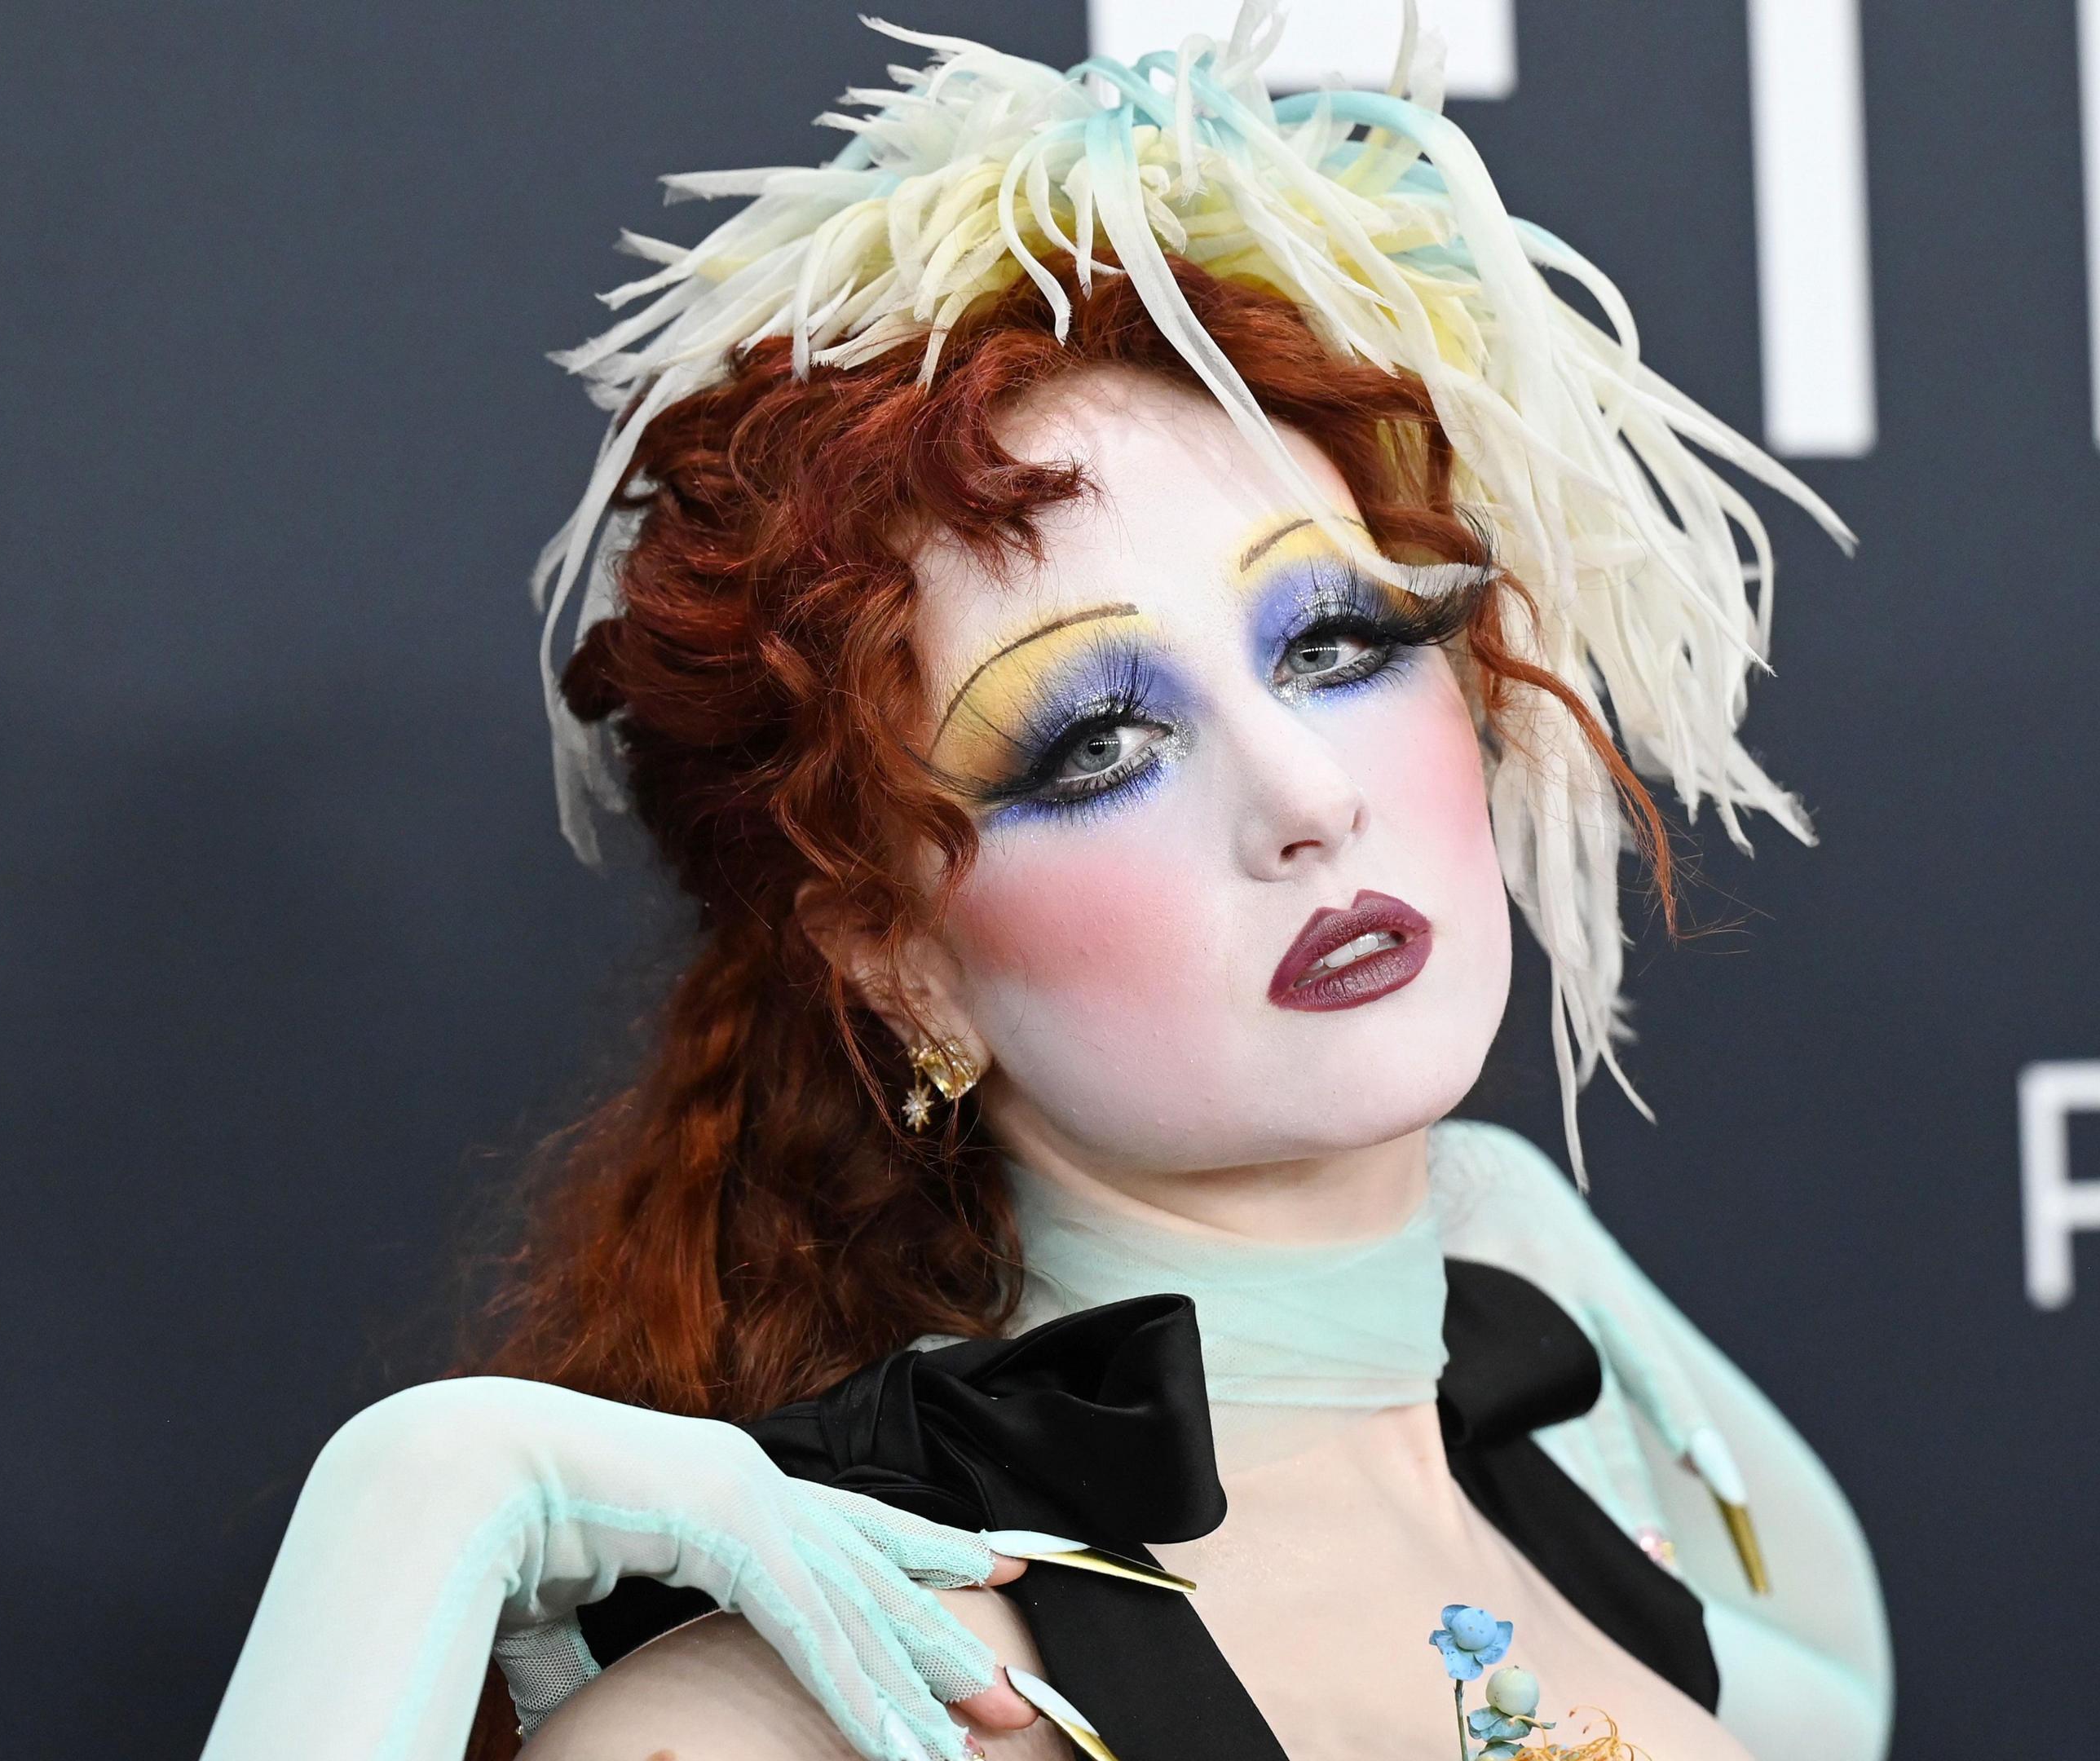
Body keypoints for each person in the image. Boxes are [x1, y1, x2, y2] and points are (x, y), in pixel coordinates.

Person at [201, 10, 1889, 1760]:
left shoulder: (1588, 1526)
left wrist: (1508, 1218)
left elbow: (1841, 1709)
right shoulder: (873, 1710)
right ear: (897, 964)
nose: (1306, 798)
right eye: (1098, 745)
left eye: (1331, 639)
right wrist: (425, 1491)